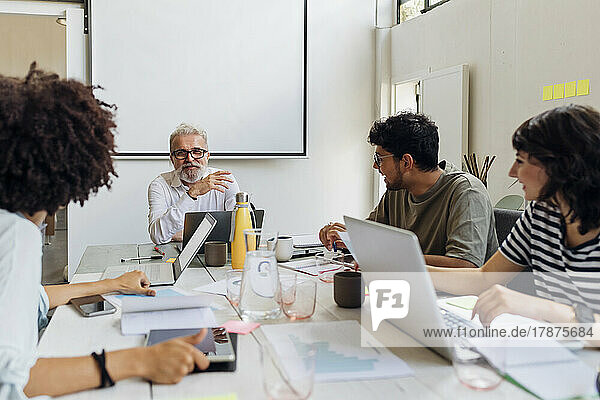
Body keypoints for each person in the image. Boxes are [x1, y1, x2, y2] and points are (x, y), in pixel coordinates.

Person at [0, 64, 209, 399]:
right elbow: (8, 382)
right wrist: (139, 360)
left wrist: (112, 284)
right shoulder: (15, 234)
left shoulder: (9, 222)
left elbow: (32, 299)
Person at [429, 104, 600, 326]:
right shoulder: (540, 214)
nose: (512, 172)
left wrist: (540, 307)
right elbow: (484, 278)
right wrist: (407, 271)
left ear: (560, 166)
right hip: (557, 351)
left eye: (520, 161)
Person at [320, 112, 498, 268]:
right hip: (414, 290)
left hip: (464, 301)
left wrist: (391, 260)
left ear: (406, 162)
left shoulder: (466, 192)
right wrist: (347, 237)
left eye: (379, 158)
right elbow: (372, 236)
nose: (375, 165)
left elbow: (464, 265)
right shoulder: (397, 189)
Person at [148, 123, 240, 244]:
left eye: (197, 151)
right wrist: (192, 193)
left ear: (207, 156)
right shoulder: (159, 186)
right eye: (181, 153)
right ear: (172, 159)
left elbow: (239, 229)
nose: (190, 159)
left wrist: (183, 234)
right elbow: (158, 236)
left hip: (219, 254)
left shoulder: (224, 179)